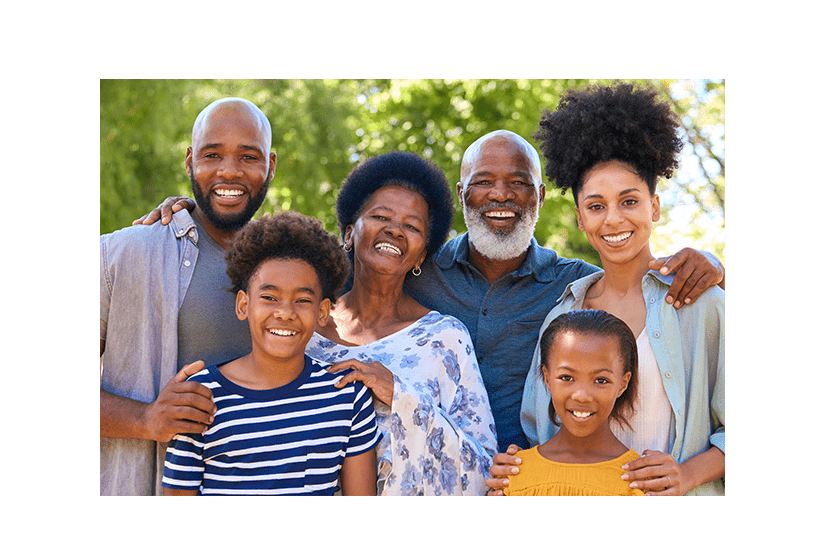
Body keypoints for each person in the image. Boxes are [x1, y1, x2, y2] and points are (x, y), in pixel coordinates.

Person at [137, 129, 725, 454]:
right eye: (483, 184)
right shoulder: (399, 273)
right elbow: (295, 250)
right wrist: (189, 212)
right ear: (463, 194)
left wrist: (713, 263)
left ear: (540, 199)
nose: (501, 196)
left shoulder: (574, 286)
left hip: (526, 480)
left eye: (518, 185)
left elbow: (629, 261)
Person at [492, 82, 725, 496]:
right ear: (580, 218)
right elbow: (540, 431)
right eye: (596, 206)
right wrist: (517, 466)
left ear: (654, 206)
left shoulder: (701, 302)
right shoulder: (563, 317)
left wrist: (689, 474)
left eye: (629, 201)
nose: (613, 220)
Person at [100, 97, 277, 495]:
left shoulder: (296, 268)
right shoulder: (123, 255)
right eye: (212, 155)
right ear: (189, 161)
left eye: (249, 156)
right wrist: (144, 419)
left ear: (271, 166)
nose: (229, 171)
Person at [303, 151, 497, 495]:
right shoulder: (305, 329)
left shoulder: (445, 339)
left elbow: (483, 470)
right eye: (380, 216)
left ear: (421, 254)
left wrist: (400, 394)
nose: (394, 230)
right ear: (349, 233)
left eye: (412, 226)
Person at [162, 212, 378, 495]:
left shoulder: (346, 396)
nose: (285, 313)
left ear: (323, 312)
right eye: (269, 298)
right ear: (243, 305)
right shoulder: (201, 397)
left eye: (302, 300)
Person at [503, 310, 644, 496]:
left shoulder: (639, 481)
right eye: (567, 377)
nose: (582, 396)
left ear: (622, 384)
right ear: (547, 378)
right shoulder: (514, 475)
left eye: (601, 380)